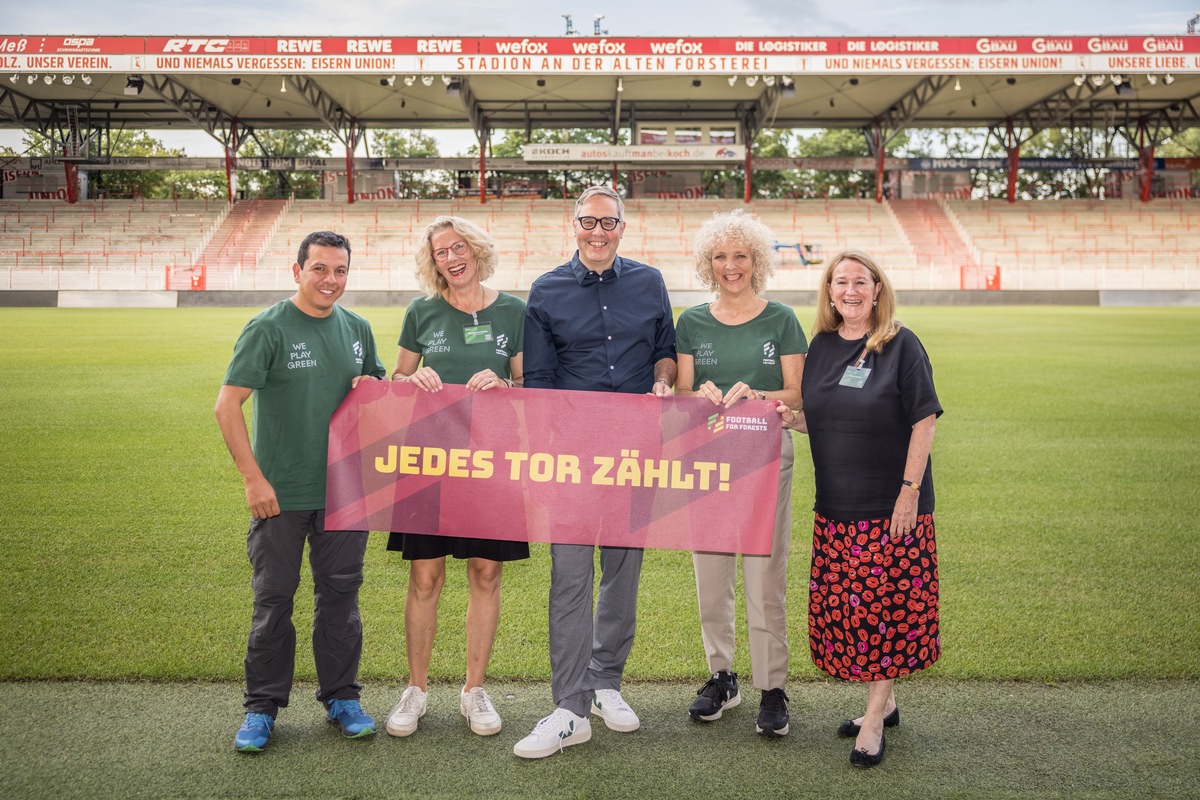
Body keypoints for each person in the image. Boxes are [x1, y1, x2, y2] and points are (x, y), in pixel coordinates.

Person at [513, 185, 677, 759]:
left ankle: (606, 680)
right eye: (588, 222)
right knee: (571, 575)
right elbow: (537, 382)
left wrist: (663, 379)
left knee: (623, 572)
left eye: (608, 223)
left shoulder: (650, 282)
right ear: (574, 225)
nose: (598, 232)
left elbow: (666, 349)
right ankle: (570, 706)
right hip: (573, 457)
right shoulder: (546, 290)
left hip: (636, 450)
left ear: (623, 228)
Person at [214, 230, 386, 753]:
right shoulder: (268, 328)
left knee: (340, 600)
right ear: (297, 271)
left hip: (344, 494)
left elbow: (374, 393)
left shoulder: (357, 328)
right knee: (273, 602)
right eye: (319, 269)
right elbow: (227, 406)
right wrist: (253, 478)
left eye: (339, 271)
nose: (330, 280)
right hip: (281, 495)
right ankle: (262, 708)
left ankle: (341, 698)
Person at [778, 249, 941, 768]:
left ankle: (873, 720)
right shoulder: (822, 346)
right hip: (836, 507)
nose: (850, 291)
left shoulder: (901, 344)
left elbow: (924, 420)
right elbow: (822, 417)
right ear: (829, 291)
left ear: (877, 289)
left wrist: (909, 490)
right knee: (851, 612)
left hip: (889, 507)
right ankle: (885, 701)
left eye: (860, 282)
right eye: (840, 282)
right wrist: (785, 419)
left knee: (884, 615)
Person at [384, 215, 529, 739]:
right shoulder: (421, 311)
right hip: (429, 459)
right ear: (433, 261)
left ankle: (474, 690)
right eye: (441, 251)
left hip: (491, 460)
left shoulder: (514, 310)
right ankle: (416, 690)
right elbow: (394, 379)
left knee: (487, 573)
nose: (451, 257)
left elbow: (528, 383)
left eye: (459, 246)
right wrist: (411, 377)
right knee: (425, 576)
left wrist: (507, 382)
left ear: (476, 250)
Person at [675, 210, 806, 737]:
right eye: (721, 257)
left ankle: (772, 686)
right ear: (709, 263)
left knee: (763, 574)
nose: (731, 266)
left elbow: (798, 394)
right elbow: (682, 394)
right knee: (711, 576)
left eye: (741, 256)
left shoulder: (781, 320)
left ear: (757, 261)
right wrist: (696, 395)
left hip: (767, 458)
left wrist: (761, 395)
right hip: (707, 461)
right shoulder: (691, 321)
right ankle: (721, 675)